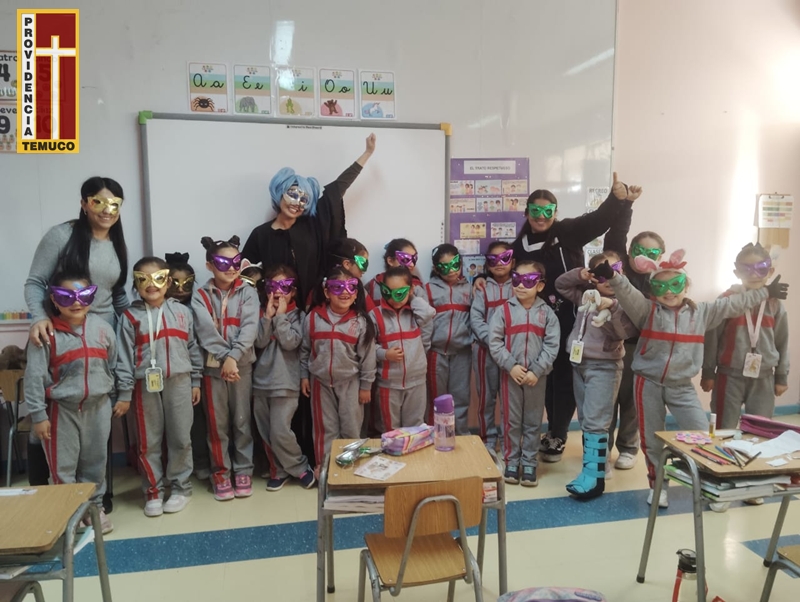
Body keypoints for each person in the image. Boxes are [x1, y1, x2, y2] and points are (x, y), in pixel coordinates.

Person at [595, 249, 789, 508]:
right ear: (652, 289)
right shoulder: (647, 311)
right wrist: (614, 277)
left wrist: (765, 292)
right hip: (648, 383)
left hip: (682, 386)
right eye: (660, 286)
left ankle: (714, 487)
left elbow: (734, 304)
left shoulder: (703, 313)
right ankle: (658, 486)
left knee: (705, 437)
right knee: (651, 440)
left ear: (686, 285)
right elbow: (628, 293)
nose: (669, 292)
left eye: (675, 284)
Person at [506, 173, 641, 464]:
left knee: (565, 380)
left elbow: (598, 221)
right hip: (536, 323)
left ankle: (558, 434)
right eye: (535, 210)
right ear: (526, 212)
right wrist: (482, 277)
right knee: (544, 376)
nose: (541, 216)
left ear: (555, 213)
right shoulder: (518, 246)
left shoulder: (567, 231)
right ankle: (547, 432)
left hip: (571, 321)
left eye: (548, 211)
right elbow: (502, 270)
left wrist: (617, 199)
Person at [24, 175, 130, 507]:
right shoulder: (62, 235)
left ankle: (96, 501)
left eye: (114, 204)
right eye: (98, 201)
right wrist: (39, 318)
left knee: (97, 424)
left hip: (101, 335)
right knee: (54, 425)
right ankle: (55, 502)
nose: (107, 210)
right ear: (84, 203)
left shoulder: (116, 241)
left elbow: (117, 294)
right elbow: (35, 282)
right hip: (60, 333)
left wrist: (135, 324)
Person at [24, 271, 120, 533]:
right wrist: (38, 415)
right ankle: (70, 511)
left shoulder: (103, 329)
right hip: (61, 411)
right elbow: (34, 377)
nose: (76, 303)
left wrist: (117, 396)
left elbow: (113, 364)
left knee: (95, 463)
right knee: (63, 467)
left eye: (83, 295)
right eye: (67, 297)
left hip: (98, 408)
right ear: (55, 300)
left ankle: (94, 508)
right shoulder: (46, 334)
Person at [242, 134, 376, 309]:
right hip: (276, 310)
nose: (297, 203)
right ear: (279, 192)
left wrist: (366, 154)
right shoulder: (261, 234)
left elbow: (336, 191)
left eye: (304, 199)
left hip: (313, 307)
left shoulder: (312, 226)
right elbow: (246, 274)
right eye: (292, 194)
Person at [116, 257, 203, 517]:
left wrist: (195, 380)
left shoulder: (183, 312)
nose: (151, 285)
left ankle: (180, 488)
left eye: (158, 278)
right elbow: (123, 357)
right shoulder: (130, 317)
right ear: (136, 284)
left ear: (167, 282)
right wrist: (125, 391)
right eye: (143, 279)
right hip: (145, 386)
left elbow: (193, 347)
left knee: (181, 438)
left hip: (180, 382)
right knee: (148, 441)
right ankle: (152, 492)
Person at [555, 252, 637, 499]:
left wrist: (611, 307)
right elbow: (561, 285)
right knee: (586, 419)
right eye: (601, 274)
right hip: (579, 364)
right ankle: (595, 468)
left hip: (605, 367)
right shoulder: (586, 295)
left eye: (614, 271)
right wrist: (581, 275)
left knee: (596, 421)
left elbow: (624, 332)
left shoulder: (626, 301)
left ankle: (594, 477)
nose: (608, 279)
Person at [192, 236, 260, 501]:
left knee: (242, 421)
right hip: (213, 371)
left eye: (235, 262)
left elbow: (250, 328)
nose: (231, 268)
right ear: (210, 265)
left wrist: (234, 357)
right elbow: (205, 332)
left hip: (242, 368)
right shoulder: (200, 296)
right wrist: (225, 358)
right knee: (216, 425)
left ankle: (243, 470)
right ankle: (220, 473)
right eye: (223, 262)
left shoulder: (248, 292)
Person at [602, 199, 665, 471]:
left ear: (660, 256)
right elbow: (615, 236)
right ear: (628, 251)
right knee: (606, 400)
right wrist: (625, 204)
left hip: (642, 348)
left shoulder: (662, 280)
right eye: (639, 250)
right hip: (611, 345)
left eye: (652, 252)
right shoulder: (617, 271)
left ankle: (628, 448)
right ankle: (602, 448)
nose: (644, 257)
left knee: (632, 402)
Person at [702, 243, 790, 429]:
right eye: (746, 269)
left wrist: (781, 376)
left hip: (764, 376)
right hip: (729, 375)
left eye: (761, 269)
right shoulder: (727, 300)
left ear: (770, 271)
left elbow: (782, 341)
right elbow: (712, 339)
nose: (753, 275)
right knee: (723, 427)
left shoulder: (775, 304)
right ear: (737, 272)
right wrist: (708, 372)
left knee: (760, 428)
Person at [488, 260, 560, 487]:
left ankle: (529, 462)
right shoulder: (503, 311)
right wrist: (511, 366)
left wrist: (537, 370)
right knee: (510, 421)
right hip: (510, 376)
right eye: (516, 280)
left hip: (536, 378)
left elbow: (552, 346)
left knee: (532, 421)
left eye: (528, 281)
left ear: (540, 285)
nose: (520, 285)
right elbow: (495, 342)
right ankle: (511, 461)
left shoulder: (547, 314)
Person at [300, 265, 377, 470]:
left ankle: (349, 470)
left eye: (351, 287)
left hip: (351, 383)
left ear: (356, 293)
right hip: (320, 383)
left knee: (351, 428)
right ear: (326, 292)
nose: (345, 292)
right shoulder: (313, 318)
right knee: (325, 430)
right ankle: (326, 469)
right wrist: (304, 376)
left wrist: (366, 386)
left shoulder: (361, 322)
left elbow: (368, 358)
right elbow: (305, 350)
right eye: (337, 287)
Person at [252, 264, 315, 491]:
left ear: (293, 291)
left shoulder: (299, 316)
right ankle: (278, 470)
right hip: (260, 383)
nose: (278, 292)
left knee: (280, 431)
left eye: (285, 286)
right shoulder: (261, 313)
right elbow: (259, 342)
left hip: (286, 383)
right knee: (266, 433)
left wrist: (280, 317)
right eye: (273, 286)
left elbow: (290, 342)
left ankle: (300, 467)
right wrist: (268, 318)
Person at [369, 266, 436, 430]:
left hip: (417, 381)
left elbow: (428, 313)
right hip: (388, 384)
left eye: (400, 293)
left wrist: (411, 297)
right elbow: (367, 349)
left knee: (415, 428)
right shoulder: (375, 315)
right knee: (389, 429)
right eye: (388, 293)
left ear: (411, 290)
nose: (394, 299)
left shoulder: (415, 312)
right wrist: (385, 354)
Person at [424, 244, 473, 434]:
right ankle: (438, 435)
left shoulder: (470, 288)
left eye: (455, 264)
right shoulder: (427, 290)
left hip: (462, 353)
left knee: (461, 397)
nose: (451, 271)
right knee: (436, 398)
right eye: (444, 267)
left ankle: (460, 436)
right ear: (436, 269)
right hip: (436, 353)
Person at [471, 241, 514, 450]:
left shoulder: (519, 286)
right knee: (486, 400)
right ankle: (487, 440)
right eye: (493, 260)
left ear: (513, 261)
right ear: (487, 264)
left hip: (511, 354)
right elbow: (476, 319)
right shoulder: (482, 288)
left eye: (504, 258)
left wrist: (508, 344)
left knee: (509, 400)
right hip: (485, 352)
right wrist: (494, 342)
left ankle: (508, 442)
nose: (499, 264)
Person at [365, 238, 428, 304]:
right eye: (405, 259)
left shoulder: (416, 287)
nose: (412, 264)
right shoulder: (373, 285)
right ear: (390, 261)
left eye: (414, 260)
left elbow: (426, 310)